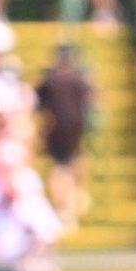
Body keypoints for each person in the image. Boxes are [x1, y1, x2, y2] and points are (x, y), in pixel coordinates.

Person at [36, 43, 95, 223]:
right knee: (70, 165)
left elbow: (39, 104)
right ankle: (68, 203)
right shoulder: (79, 78)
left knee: (60, 168)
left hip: (55, 129)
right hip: (75, 128)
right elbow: (92, 99)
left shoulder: (50, 78)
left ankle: (65, 204)